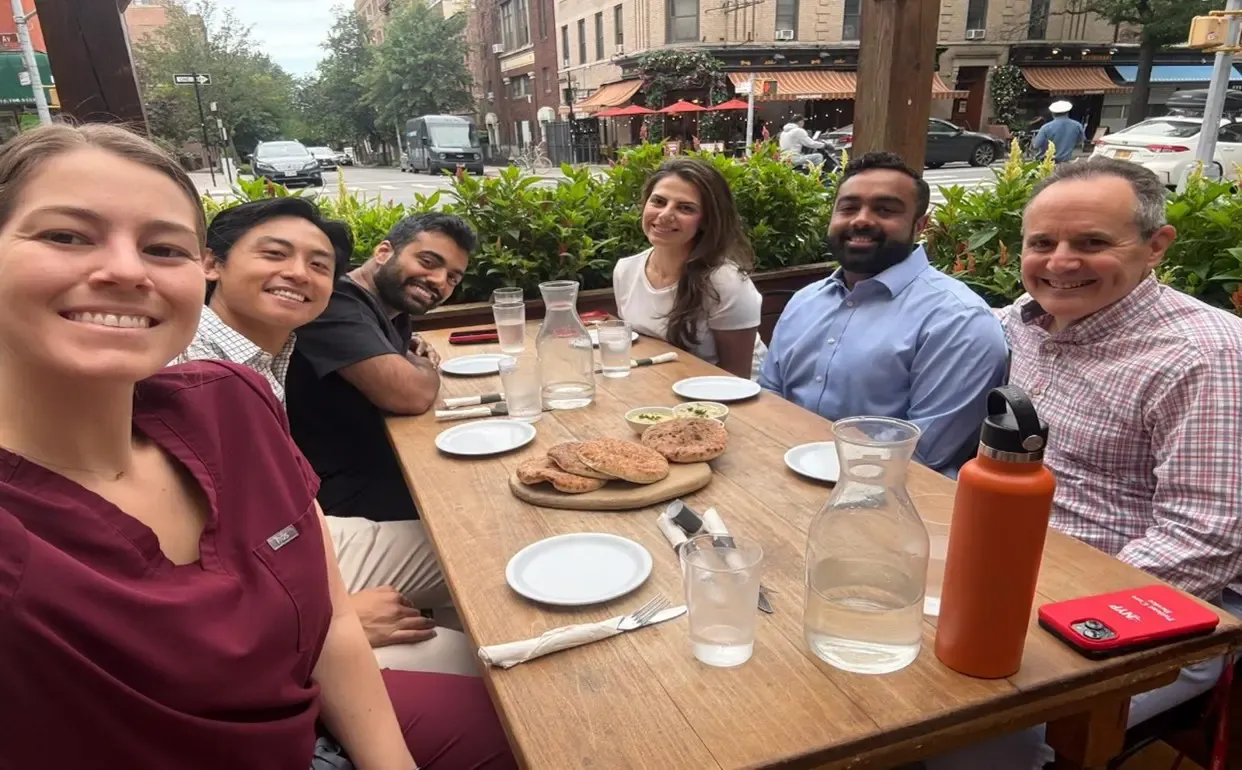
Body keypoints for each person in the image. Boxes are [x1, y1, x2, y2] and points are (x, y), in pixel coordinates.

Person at [0, 124, 514, 769]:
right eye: (65, 236)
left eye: (162, 249)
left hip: (304, 711)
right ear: (218, 266)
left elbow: (322, 607)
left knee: (515, 681)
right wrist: (311, 623)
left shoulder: (230, 399)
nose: (126, 271)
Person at [927, 157, 1242, 769]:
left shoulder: (1206, 357)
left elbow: (1204, 537)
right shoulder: (1021, 323)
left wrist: (1051, 621)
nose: (1061, 262)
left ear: (1156, 246)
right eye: (1042, 243)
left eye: (1092, 243)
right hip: (999, 568)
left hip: (1137, 610)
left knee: (962, 723)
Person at [173, 198, 477, 677]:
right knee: (473, 661)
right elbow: (173, 567)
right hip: (250, 589)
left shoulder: (273, 351)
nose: (299, 274)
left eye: (318, 265)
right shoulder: (184, 369)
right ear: (211, 263)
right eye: (275, 255)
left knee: (476, 549)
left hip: (289, 535)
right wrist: (334, 615)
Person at [760, 152, 1008, 475]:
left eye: (885, 209)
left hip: (890, 500)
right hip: (779, 469)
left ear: (920, 225)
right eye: (848, 208)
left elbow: (920, 455)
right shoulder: (804, 302)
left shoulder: (959, 322)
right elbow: (769, 401)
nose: (861, 220)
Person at [285, 213, 474, 523]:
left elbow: (401, 353)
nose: (440, 281)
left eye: (453, 277)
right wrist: (424, 367)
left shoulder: (388, 304)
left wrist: (409, 352)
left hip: (376, 466)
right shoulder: (333, 303)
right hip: (334, 498)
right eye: (428, 262)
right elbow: (410, 395)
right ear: (384, 252)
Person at [612, 157, 766, 380]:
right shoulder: (625, 271)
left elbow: (737, 379)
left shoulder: (726, 282)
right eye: (658, 201)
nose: (665, 215)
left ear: (706, 221)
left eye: (685, 208)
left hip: (731, 400)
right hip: (659, 388)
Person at [1032, 100, 1085, 164]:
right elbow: (1080, 141)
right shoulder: (1077, 125)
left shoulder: (1046, 127)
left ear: (1052, 113)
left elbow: (1036, 145)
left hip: (1046, 163)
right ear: (1068, 112)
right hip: (1065, 163)